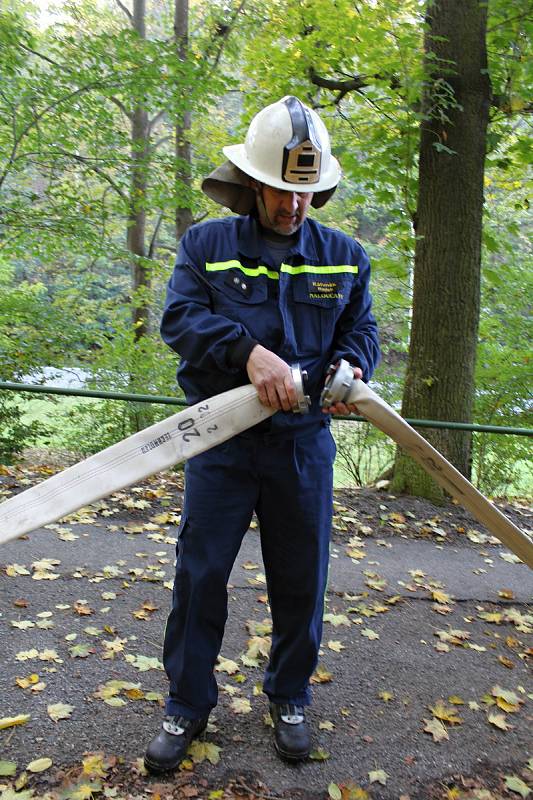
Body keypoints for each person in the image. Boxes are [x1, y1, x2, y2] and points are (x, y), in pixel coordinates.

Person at [144, 96, 380, 773]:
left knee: (301, 580)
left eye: (305, 191)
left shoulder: (345, 257)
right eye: (281, 190)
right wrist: (247, 352)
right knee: (200, 576)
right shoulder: (205, 247)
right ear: (253, 182)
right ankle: (187, 703)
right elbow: (181, 320)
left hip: (303, 446)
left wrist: (351, 368)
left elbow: (360, 333)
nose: (293, 205)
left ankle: (290, 696)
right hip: (219, 443)